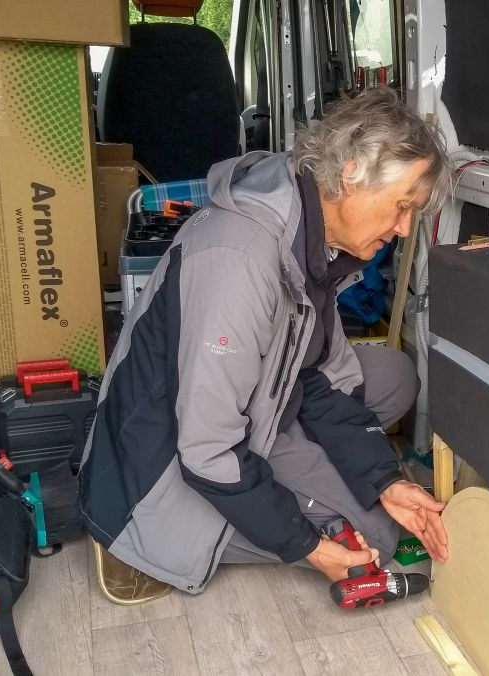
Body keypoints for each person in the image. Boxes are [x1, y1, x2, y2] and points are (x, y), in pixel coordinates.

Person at [78, 88, 452, 593]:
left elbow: (320, 373)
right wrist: (308, 545)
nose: (405, 228)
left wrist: (385, 480)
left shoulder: (311, 232)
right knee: (374, 537)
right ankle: (140, 542)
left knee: (393, 375)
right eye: (403, 206)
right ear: (351, 174)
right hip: (163, 463)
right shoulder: (240, 259)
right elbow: (207, 448)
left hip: (257, 406)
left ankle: (314, 480)